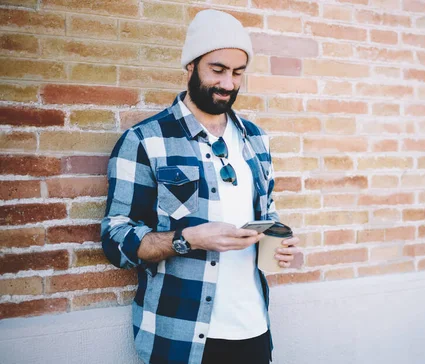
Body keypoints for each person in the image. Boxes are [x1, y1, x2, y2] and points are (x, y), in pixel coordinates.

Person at [101, 9, 299, 364]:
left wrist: (276, 244)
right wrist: (188, 239)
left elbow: (268, 216)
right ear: (191, 66)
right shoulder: (146, 139)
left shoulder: (256, 140)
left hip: (254, 329)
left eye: (238, 73)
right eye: (217, 70)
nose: (228, 84)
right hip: (179, 335)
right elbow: (116, 240)